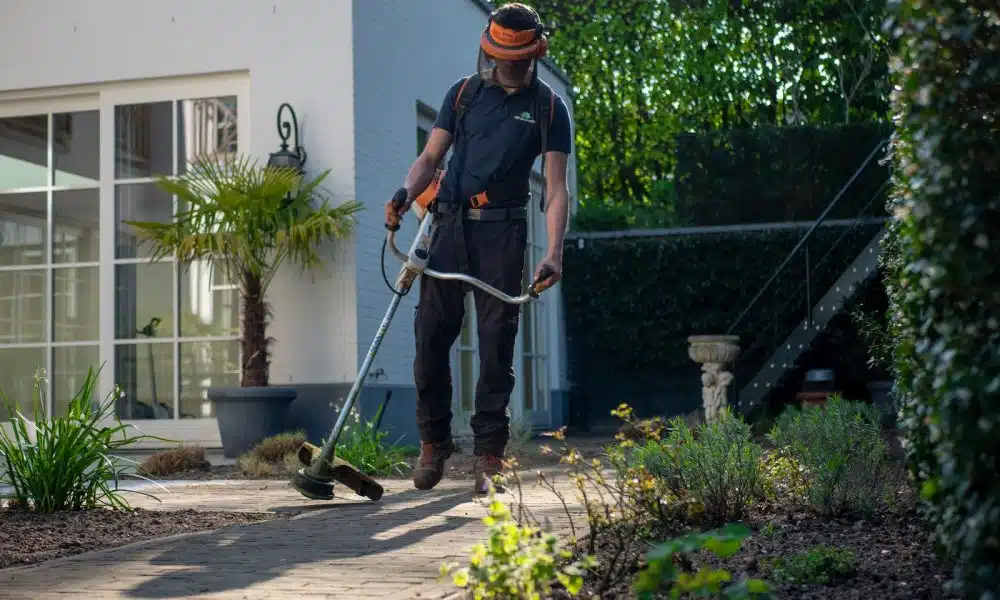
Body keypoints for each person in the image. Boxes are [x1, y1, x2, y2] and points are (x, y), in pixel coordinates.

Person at [384, 2, 573, 494]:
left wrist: (553, 250)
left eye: (515, 59)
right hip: (447, 228)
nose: (504, 65)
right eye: (497, 56)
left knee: (496, 348)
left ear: (534, 54)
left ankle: (489, 455)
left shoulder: (550, 107)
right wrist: (406, 194)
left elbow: (555, 188)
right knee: (429, 339)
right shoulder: (464, 94)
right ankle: (434, 444)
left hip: (501, 235)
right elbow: (430, 157)